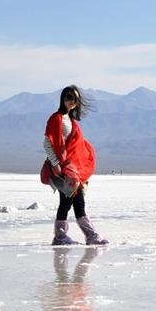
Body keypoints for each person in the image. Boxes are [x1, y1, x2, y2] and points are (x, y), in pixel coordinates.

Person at [43, 85, 108, 246]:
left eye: (75, 99)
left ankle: (89, 236)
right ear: (63, 99)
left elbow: (74, 145)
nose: (72, 101)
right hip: (64, 170)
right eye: (69, 97)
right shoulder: (56, 118)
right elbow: (47, 143)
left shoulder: (70, 120)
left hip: (73, 170)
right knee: (66, 203)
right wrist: (56, 164)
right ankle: (61, 237)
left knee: (78, 203)